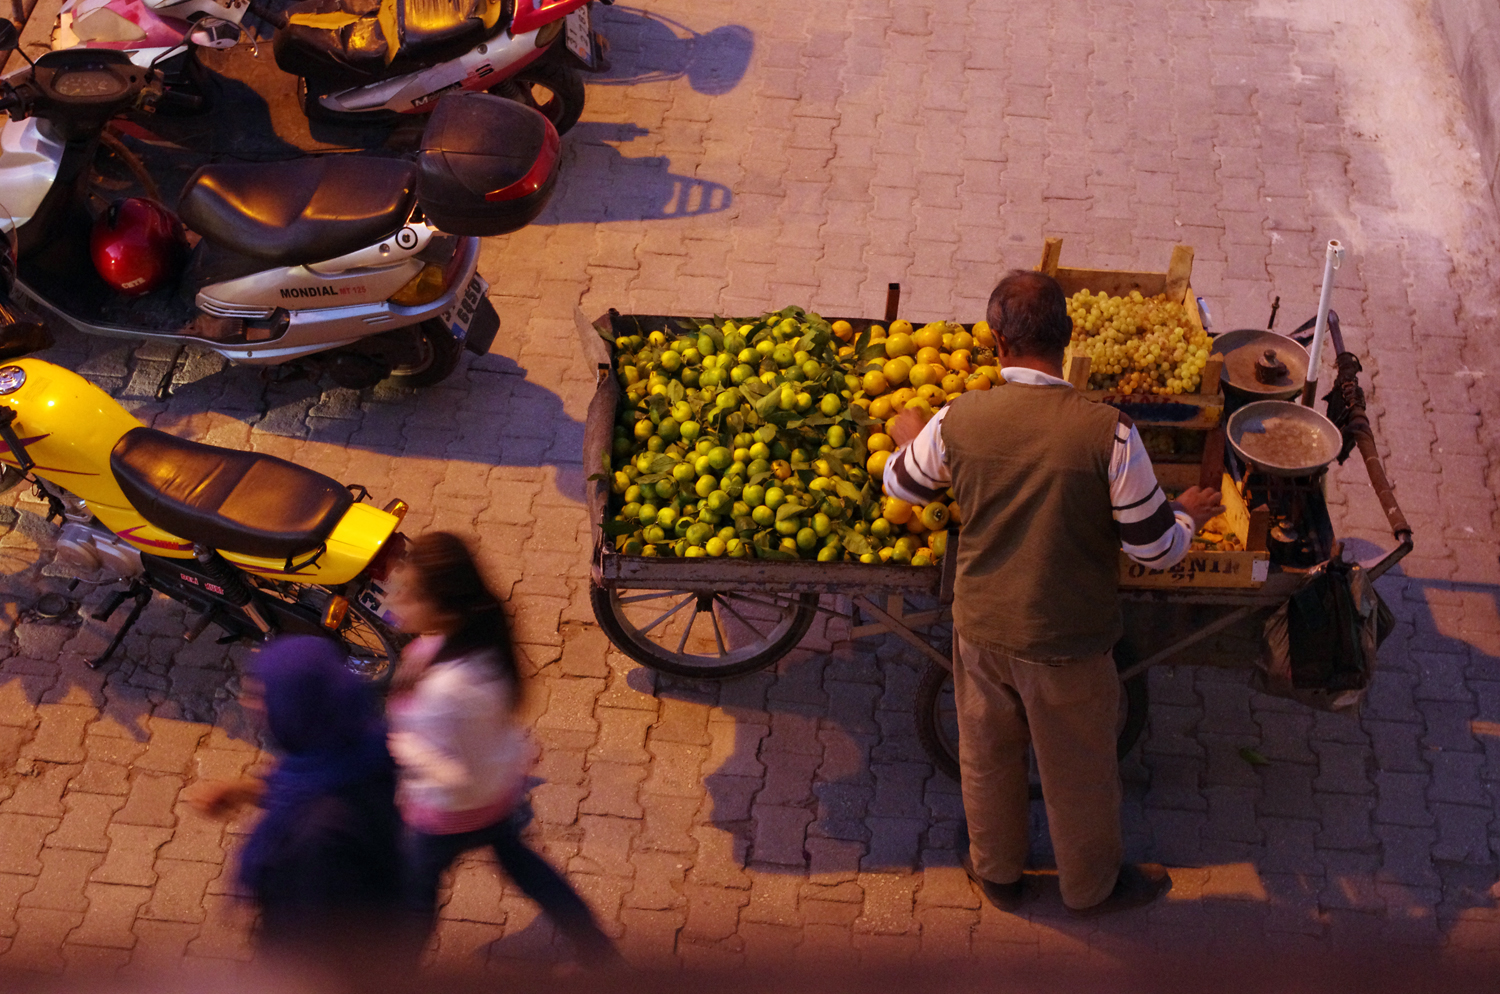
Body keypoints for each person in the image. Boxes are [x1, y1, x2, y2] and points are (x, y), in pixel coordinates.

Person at [883, 271, 1223, 917]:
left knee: (986, 756)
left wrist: (909, 437)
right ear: (1067, 340)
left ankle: (999, 874)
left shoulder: (960, 416)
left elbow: (903, 489)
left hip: (982, 626)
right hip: (1068, 637)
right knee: (1080, 772)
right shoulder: (1110, 433)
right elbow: (1153, 549)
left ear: (996, 341)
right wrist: (1184, 515)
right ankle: (1089, 889)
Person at [385, 531, 620, 968]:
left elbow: (445, 767)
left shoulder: (443, 690)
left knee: (414, 898)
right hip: (498, 795)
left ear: (443, 606)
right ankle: (594, 946)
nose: (396, 602)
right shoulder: (481, 641)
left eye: (409, 596)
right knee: (524, 866)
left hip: (445, 814)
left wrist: (399, 747)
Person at [187, 635, 408, 969]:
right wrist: (244, 790)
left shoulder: (318, 839)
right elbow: (311, 786)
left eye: (263, 695)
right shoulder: (357, 743)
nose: (249, 703)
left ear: (302, 710)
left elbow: (314, 944)